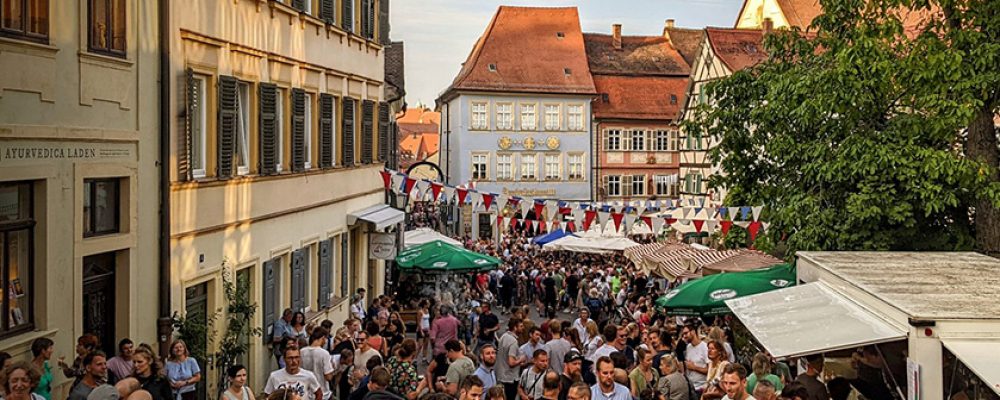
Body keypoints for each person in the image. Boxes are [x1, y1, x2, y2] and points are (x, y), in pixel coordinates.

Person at [300, 329, 334, 400]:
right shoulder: (324, 353)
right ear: (323, 338)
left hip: (306, 392)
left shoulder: (301, 351)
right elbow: (328, 377)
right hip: (323, 393)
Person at [497, 318, 526, 400]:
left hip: (501, 375)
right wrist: (521, 359)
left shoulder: (504, 336)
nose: (523, 328)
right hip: (510, 378)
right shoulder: (513, 342)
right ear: (515, 327)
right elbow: (511, 362)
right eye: (521, 326)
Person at [681, 323, 708, 396]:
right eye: (683, 334)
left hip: (701, 388)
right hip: (690, 387)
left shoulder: (704, 347)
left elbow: (710, 370)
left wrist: (694, 367)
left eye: (686, 333)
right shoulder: (688, 347)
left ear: (693, 332)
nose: (684, 336)